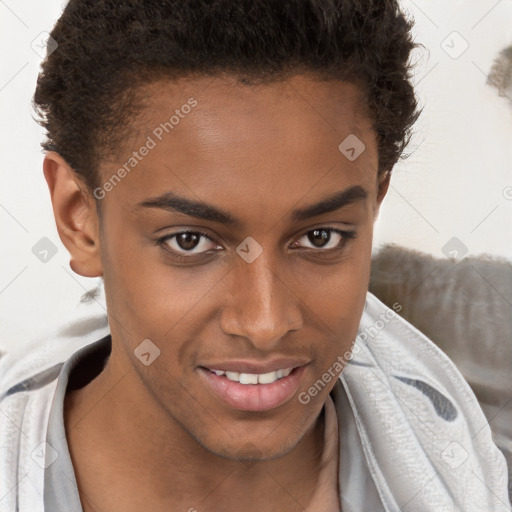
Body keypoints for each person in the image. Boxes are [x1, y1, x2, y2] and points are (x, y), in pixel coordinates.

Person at [0, 1, 510, 511]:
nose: (265, 323)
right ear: (78, 218)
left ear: (373, 205)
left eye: (320, 237)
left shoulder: (478, 469)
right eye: (190, 241)